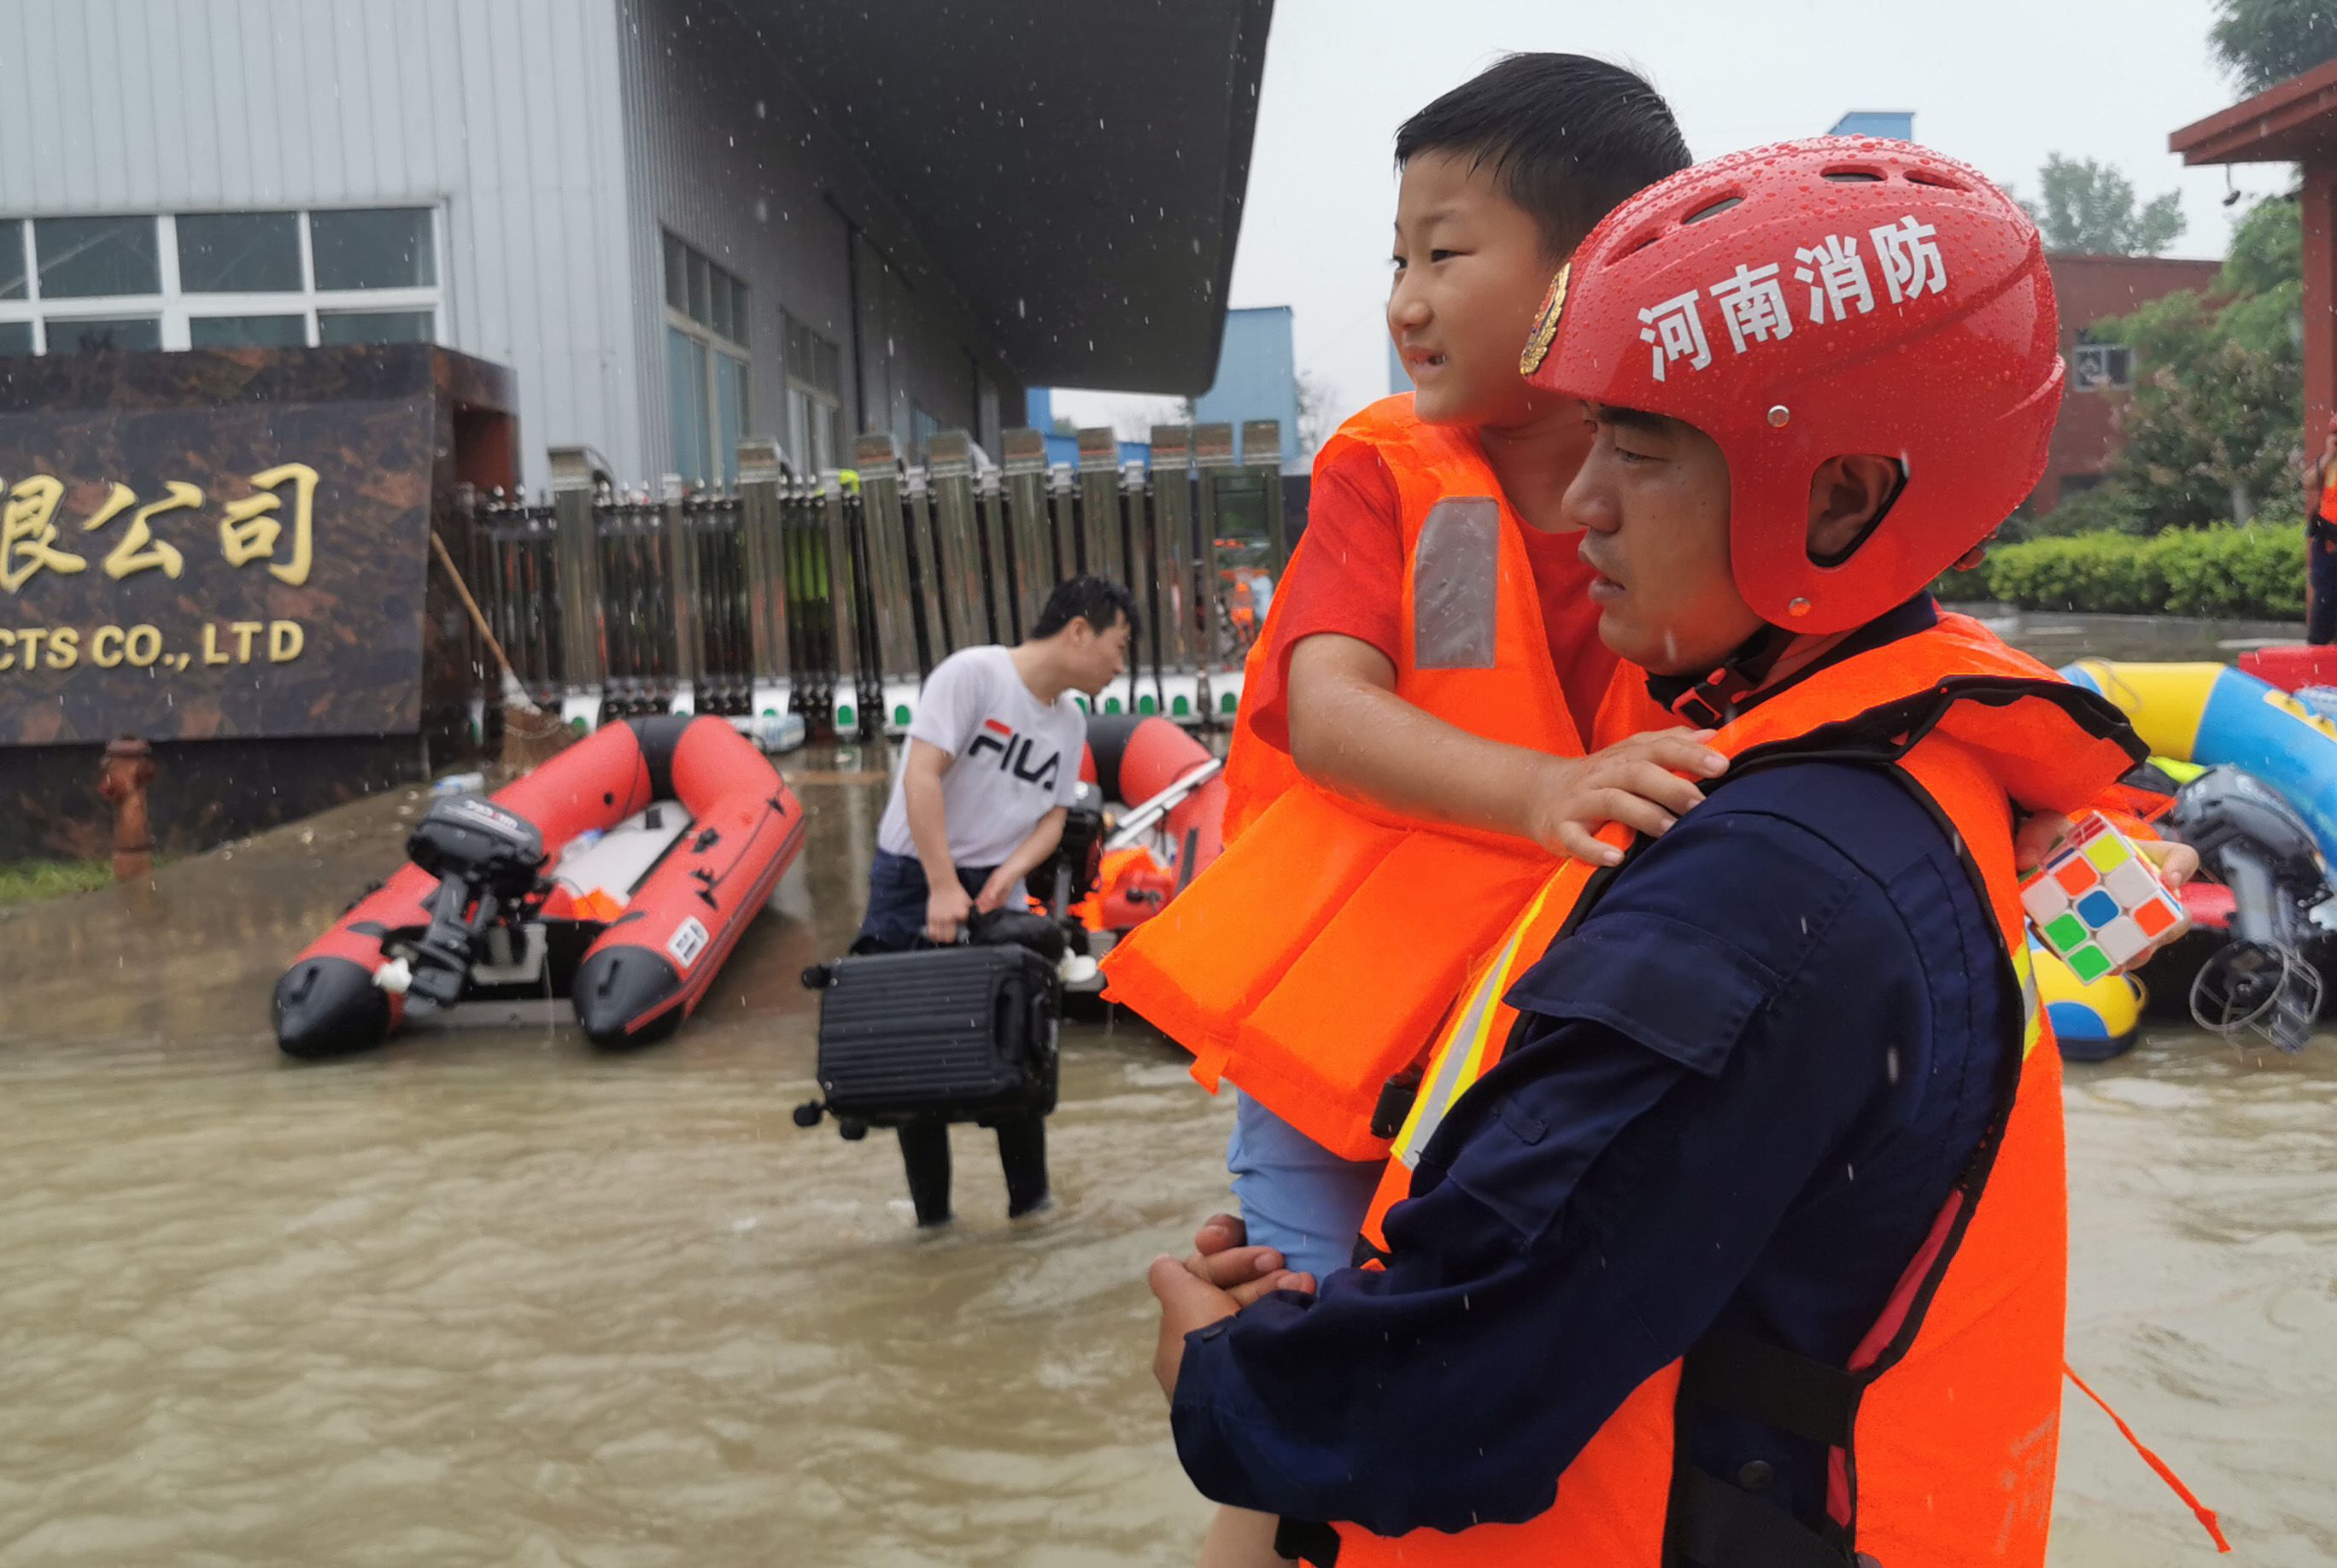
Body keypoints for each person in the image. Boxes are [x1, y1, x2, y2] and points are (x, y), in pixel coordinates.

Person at [1148, 140, 2158, 1568]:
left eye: (1639, 452)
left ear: (1841, 498)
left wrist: (1220, 1372)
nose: (1579, 511)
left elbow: (1442, 1401)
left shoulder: (1765, 896)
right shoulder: (1895, 771)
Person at [1104, 53, 1717, 1285]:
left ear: (1599, 265)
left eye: (1445, 255)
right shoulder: (1407, 481)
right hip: (1356, 1028)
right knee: (1311, 1359)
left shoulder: (1707, 478)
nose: (1404, 302)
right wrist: (1549, 793)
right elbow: (1334, 714)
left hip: (1555, 1030)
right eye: (1400, 259)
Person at [854, 574, 1134, 1226]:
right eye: (1118, 647)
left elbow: (1052, 819)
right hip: (912, 877)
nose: (1120, 666)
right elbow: (922, 773)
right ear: (1078, 631)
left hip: (989, 883)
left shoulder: (1069, 720)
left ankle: (1029, 1210)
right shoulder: (973, 675)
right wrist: (944, 885)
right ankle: (933, 1222)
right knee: (917, 1050)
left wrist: (1008, 874)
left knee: (1017, 1038)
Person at [2305, 416, 2337, 644]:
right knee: (2325, 600)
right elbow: (2308, 482)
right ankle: (2318, 651)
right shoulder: (2329, 463)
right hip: (2329, 542)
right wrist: (2328, 455)